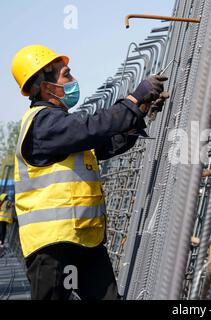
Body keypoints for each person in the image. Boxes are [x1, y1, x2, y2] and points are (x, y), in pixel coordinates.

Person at [10, 44, 168, 300]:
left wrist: (139, 112)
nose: (74, 81)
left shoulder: (63, 129)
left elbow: (106, 143)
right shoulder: (43, 123)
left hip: (85, 239)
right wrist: (132, 100)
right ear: (44, 84)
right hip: (53, 246)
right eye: (66, 75)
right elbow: (92, 126)